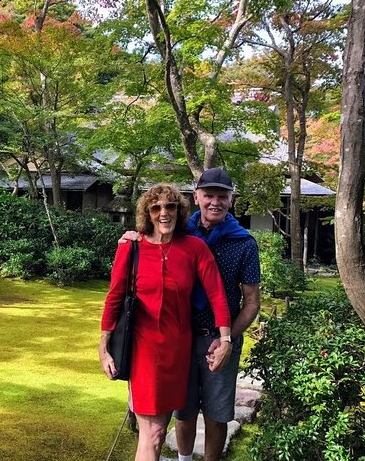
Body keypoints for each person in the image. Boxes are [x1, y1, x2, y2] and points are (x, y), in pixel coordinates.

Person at [120, 168, 261, 461]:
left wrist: (227, 340)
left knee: (216, 413)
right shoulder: (182, 231)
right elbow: (153, 238)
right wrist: (135, 235)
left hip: (219, 340)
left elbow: (251, 302)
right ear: (196, 197)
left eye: (222, 196)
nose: (215, 202)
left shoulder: (244, 243)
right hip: (178, 340)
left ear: (231, 200)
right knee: (183, 411)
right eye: (208, 195)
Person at [98, 183, 232, 461]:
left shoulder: (194, 247)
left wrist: (226, 338)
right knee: (155, 433)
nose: (163, 213)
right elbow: (114, 297)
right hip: (144, 350)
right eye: (155, 207)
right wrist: (103, 345)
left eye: (170, 206)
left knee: (157, 432)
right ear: (147, 213)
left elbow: (217, 294)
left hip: (178, 351)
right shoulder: (131, 248)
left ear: (179, 211)